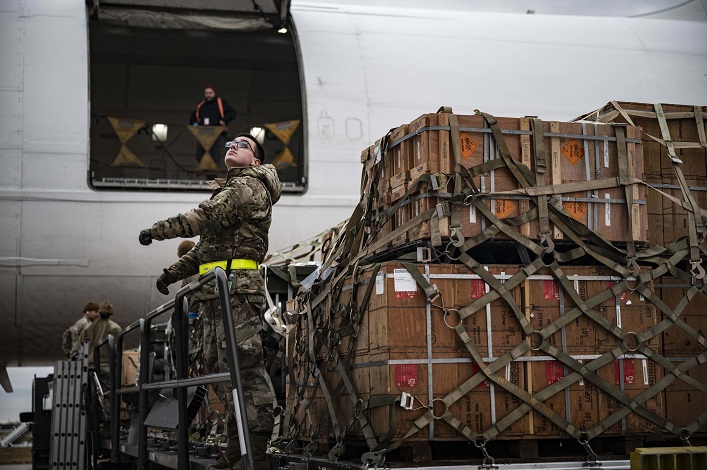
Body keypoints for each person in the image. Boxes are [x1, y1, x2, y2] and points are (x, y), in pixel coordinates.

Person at [138, 133, 281, 470]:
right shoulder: (231, 188)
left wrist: (156, 231)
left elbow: (202, 217)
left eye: (243, 145)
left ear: (257, 161)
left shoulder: (248, 187)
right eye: (229, 143)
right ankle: (235, 449)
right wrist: (172, 273)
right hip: (217, 294)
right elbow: (204, 250)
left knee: (246, 371)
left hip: (237, 293)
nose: (232, 146)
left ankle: (256, 455)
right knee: (223, 373)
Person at [79, 300, 122, 388]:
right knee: (108, 396)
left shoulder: (88, 328)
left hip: (90, 366)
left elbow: (80, 343)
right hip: (106, 366)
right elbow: (118, 349)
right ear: (111, 315)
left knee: (92, 395)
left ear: (99, 313)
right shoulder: (115, 328)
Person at [189, 84, 236, 163]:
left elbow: (232, 112)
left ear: (214, 93)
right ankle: (205, 169)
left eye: (210, 93)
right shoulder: (202, 105)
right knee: (199, 154)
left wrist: (224, 120)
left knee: (215, 155)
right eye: (206, 93)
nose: (208, 95)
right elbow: (193, 116)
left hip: (217, 133)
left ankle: (212, 173)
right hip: (203, 133)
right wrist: (194, 124)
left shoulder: (221, 103)